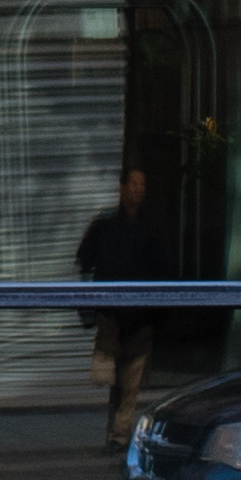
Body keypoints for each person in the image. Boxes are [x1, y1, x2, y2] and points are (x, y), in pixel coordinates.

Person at [74, 164, 178, 441]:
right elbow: (84, 259)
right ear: (122, 188)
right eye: (134, 185)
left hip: (139, 316)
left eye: (142, 186)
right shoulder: (106, 225)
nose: (138, 190)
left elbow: (163, 270)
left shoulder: (150, 228)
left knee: (129, 383)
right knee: (110, 375)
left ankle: (119, 434)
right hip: (112, 314)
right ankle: (116, 431)